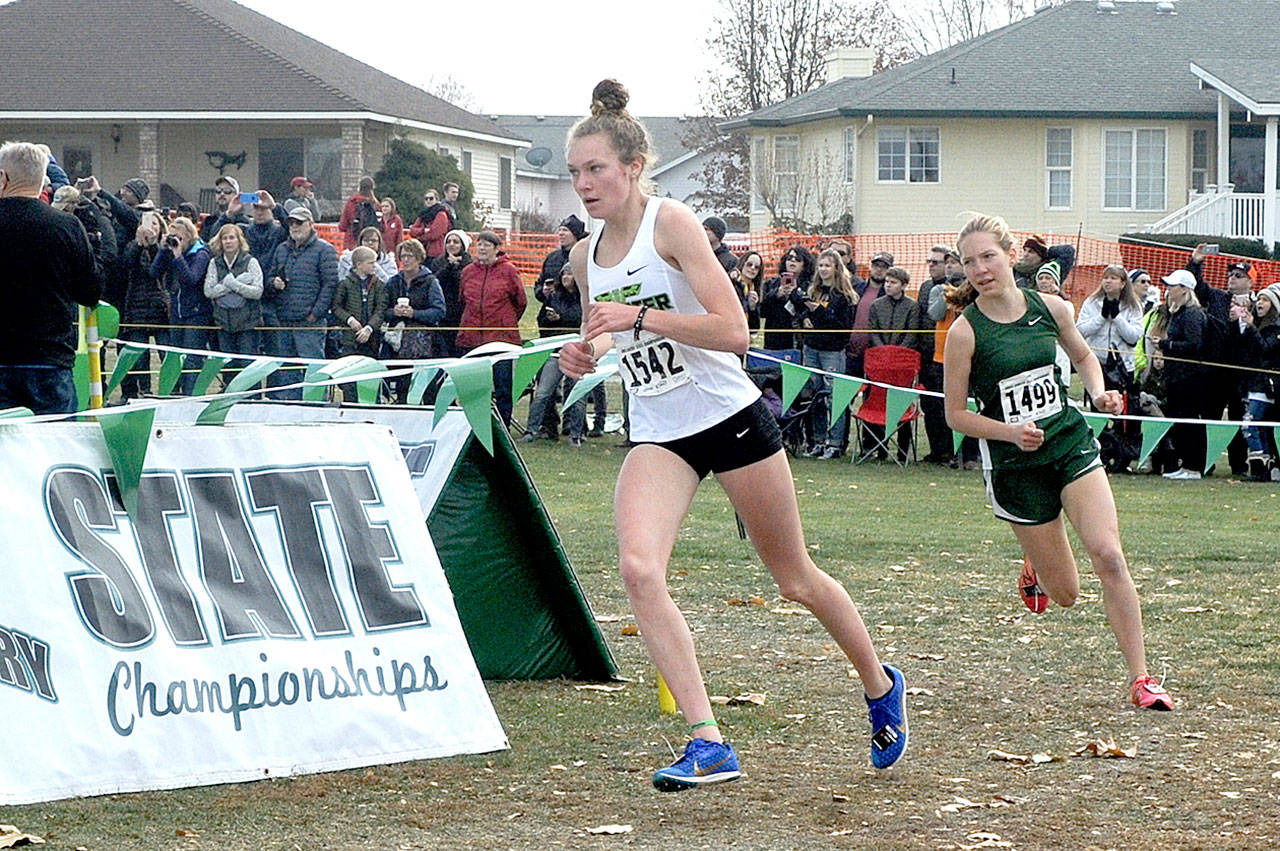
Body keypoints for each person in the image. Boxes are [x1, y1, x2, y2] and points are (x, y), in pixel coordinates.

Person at [556, 80, 907, 791]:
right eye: (574, 173)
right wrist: (583, 353)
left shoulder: (672, 224)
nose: (584, 184)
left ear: (631, 165)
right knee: (638, 569)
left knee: (794, 578)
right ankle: (708, 738)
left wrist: (641, 319)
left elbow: (735, 333)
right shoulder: (587, 255)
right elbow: (603, 336)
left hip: (729, 418)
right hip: (660, 431)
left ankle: (880, 684)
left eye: (595, 169)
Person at [942, 211, 1173, 713]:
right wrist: (1008, 431)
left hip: (1068, 443)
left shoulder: (1051, 308)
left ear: (1009, 256)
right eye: (969, 262)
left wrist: (1099, 392)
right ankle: (1038, 566)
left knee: (1108, 555)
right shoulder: (965, 333)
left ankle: (1141, 678)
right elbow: (955, 415)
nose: (980, 269)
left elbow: (1086, 357)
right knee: (1065, 594)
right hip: (1016, 467)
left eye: (988, 256)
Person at [0, 141, 101, 413]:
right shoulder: (66, 226)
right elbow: (90, 292)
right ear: (42, 180)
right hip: (49, 358)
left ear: (3, 177)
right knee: (56, 448)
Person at [263, 206, 338, 398]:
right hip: (285, 320)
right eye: (291, 223)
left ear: (311, 224)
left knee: (314, 371)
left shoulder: (325, 250)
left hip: (310, 322)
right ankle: (289, 408)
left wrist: (316, 314)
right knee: (287, 372)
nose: (294, 227)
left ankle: (316, 408)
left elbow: (330, 285)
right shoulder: (281, 250)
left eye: (299, 223)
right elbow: (269, 277)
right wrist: (274, 283)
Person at [456, 230, 526, 425]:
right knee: (474, 388)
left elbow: (520, 302)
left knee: (503, 387)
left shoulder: (509, 271)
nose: (482, 248)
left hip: (501, 340)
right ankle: (474, 425)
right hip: (473, 339)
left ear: (497, 249)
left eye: (487, 244)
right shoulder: (468, 272)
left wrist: (505, 321)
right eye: (480, 244)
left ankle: (502, 426)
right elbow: (463, 300)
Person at [798, 248, 857, 460]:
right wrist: (804, 317)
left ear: (836, 268)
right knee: (815, 397)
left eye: (827, 265)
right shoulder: (814, 291)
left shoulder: (844, 297)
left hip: (832, 352)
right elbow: (803, 314)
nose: (823, 269)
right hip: (811, 348)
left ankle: (835, 442)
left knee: (834, 398)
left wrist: (818, 312)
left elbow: (841, 326)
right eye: (820, 265)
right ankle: (818, 440)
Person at [1152, 270, 1209, 480]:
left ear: (1184, 289)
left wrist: (1165, 344)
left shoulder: (1192, 313)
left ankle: (1193, 467)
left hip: (1189, 379)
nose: (1168, 289)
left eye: (1172, 286)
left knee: (1189, 421)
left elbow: (1194, 345)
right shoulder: (1180, 313)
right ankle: (1185, 464)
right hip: (1177, 377)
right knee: (1180, 421)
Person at [525, 263, 587, 445]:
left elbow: (582, 319)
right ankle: (531, 430)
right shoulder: (553, 297)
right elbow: (541, 320)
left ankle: (576, 434)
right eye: (564, 273)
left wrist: (562, 318)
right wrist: (549, 318)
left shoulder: (584, 298)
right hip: (555, 352)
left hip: (576, 353)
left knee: (578, 395)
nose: (566, 277)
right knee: (542, 393)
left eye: (570, 273)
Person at [150, 216, 211, 395]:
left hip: (197, 312)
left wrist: (178, 257)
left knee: (192, 359)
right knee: (175, 357)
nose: (175, 241)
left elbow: (191, 279)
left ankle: (191, 395)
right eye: (172, 236)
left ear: (189, 236)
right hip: (177, 312)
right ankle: (175, 394)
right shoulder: (171, 252)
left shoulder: (201, 253)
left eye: (179, 237)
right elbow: (154, 272)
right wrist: (162, 250)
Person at [382, 237, 445, 401]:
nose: (406, 260)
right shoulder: (393, 282)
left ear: (418, 258)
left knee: (427, 392)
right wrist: (394, 312)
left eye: (410, 256)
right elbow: (381, 311)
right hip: (397, 348)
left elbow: (439, 311)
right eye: (403, 256)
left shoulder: (431, 282)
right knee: (401, 390)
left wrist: (414, 314)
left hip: (425, 347)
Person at [119, 210, 170, 399]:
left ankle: (169, 391)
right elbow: (127, 264)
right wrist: (140, 244)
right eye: (148, 224)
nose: (151, 228)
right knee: (140, 358)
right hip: (137, 308)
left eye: (155, 224)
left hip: (160, 308)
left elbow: (159, 269)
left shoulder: (165, 247)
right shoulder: (133, 246)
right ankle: (143, 391)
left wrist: (155, 246)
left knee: (166, 353)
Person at [1075, 264, 1143, 390]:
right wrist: (1101, 318)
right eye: (1105, 278)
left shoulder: (1133, 306)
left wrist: (1117, 318)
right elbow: (1080, 331)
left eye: (1113, 278)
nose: (1108, 281)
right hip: (1096, 364)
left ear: (1123, 284)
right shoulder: (1091, 302)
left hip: (1122, 366)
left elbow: (1134, 337)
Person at [204, 223, 264, 366]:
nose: (228, 241)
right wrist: (230, 283)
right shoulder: (214, 263)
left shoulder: (251, 262)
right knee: (228, 364)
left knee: (247, 365)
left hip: (247, 324)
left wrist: (235, 285)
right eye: (225, 238)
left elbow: (257, 291)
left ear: (239, 240)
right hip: (223, 322)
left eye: (232, 238)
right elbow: (208, 291)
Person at [1241, 285, 1280, 481]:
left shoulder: (1275, 330)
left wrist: (1251, 327)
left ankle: (1260, 468)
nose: (1259, 303)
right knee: (1261, 427)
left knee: (1250, 424)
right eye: (1259, 299)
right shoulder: (1256, 326)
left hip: (1265, 386)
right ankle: (1264, 468)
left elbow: (1265, 349)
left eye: (1265, 300)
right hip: (1251, 384)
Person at [917, 246, 951, 464]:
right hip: (927, 355)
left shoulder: (954, 288)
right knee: (929, 406)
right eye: (930, 261)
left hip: (947, 356)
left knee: (947, 406)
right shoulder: (925, 287)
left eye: (936, 262)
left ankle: (950, 451)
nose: (932, 265)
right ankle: (935, 450)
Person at [758, 246, 811, 353]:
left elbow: (806, 310)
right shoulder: (771, 283)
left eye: (798, 259)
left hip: (798, 339)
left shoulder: (810, 286)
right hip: (774, 339)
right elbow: (763, 311)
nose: (792, 261)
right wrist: (777, 294)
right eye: (789, 258)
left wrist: (794, 293)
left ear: (804, 264)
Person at [847, 250, 889, 378]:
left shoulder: (889, 295)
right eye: (876, 266)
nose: (879, 270)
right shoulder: (857, 288)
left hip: (874, 353)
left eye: (884, 267)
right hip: (851, 352)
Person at [430, 228, 471, 358]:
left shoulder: (469, 264)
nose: (451, 244)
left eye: (456, 242)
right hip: (443, 312)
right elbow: (435, 281)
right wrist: (449, 266)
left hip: (461, 313)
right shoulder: (438, 262)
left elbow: (462, 284)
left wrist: (455, 268)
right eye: (449, 241)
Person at [199, 175, 249, 244]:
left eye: (227, 191)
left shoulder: (244, 221)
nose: (222, 194)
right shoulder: (209, 221)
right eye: (218, 191)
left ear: (236, 196)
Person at [410, 188, 453, 259]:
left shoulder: (441, 214)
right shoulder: (422, 214)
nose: (428, 201)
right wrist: (423, 230)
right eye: (426, 199)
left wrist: (420, 237)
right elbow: (412, 231)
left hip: (436, 252)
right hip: (423, 252)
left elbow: (434, 233)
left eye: (431, 198)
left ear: (437, 200)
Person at [339, 176, 380, 250]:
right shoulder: (376, 204)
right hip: (372, 244)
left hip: (353, 242)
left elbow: (342, 226)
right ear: (372, 188)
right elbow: (383, 227)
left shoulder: (352, 202)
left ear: (359, 187)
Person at [732, 250, 764, 331]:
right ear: (743, 264)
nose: (752, 268)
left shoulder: (755, 290)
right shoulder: (733, 282)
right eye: (749, 265)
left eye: (756, 267)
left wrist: (752, 308)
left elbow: (755, 328)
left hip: (743, 333)